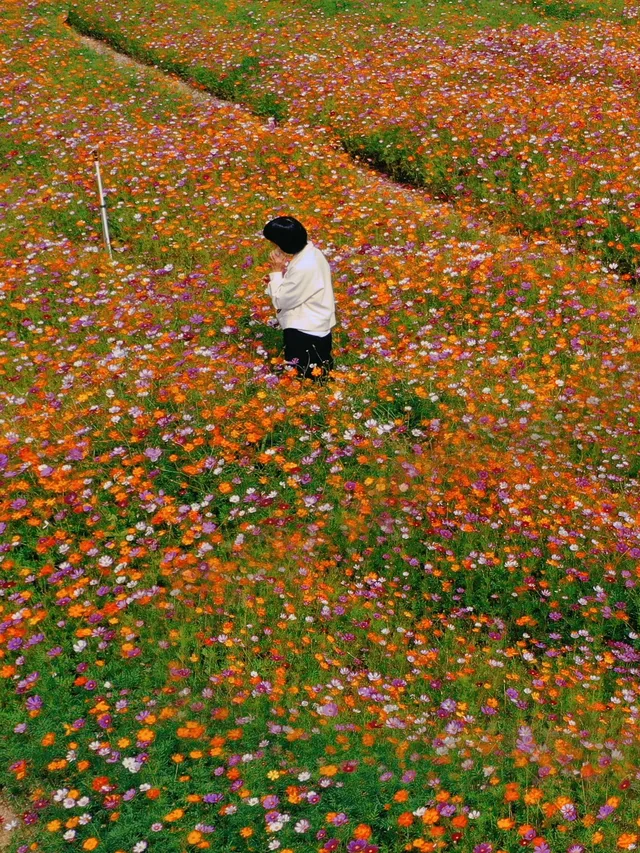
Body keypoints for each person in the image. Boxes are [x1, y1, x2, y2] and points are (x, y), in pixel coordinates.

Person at [263, 215, 336, 380]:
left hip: (305, 331)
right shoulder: (313, 254)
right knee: (320, 376)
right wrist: (277, 279)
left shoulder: (304, 266)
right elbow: (298, 289)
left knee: (304, 380)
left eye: (274, 243)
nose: (274, 247)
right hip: (316, 326)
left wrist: (276, 272)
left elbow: (282, 301)